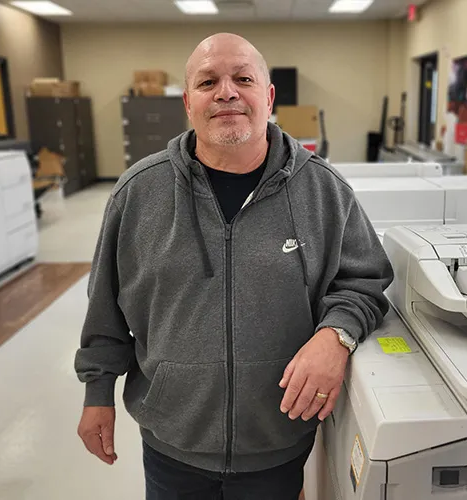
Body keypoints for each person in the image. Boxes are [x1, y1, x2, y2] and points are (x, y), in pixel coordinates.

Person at [74, 32, 393, 500]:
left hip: (278, 439)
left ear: (268, 97)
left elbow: (364, 282)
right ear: (188, 102)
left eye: (243, 78)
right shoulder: (139, 193)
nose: (226, 92)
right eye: (208, 82)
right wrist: (97, 392)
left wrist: (336, 336)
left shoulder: (322, 191)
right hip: (171, 443)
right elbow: (105, 303)